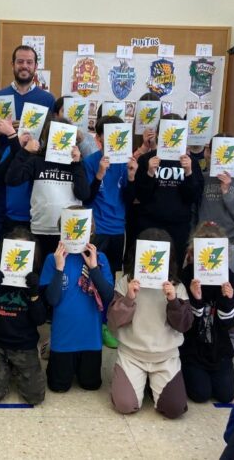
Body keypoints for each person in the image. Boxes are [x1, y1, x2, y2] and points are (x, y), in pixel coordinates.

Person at [108, 228, 193, 419]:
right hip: (132, 354)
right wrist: (128, 299)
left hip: (165, 357)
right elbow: (113, 322)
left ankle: (151, 383)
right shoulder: (126, 283)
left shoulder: (177, 287)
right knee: (125, 405)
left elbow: (185, 325)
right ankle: (135, 380)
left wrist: (173, 301)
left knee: (175, 408)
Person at [40, 207, 114, 392]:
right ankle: (51, 347)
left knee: (91, 385)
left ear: (91, 231)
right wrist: (59, 268)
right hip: (63, 338)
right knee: (58, 387)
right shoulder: (52, 259)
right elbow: (52, 300)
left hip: (90, 339)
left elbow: (108, 297)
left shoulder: (101, 258)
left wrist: (94, 268)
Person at [83, 114, 138, 349]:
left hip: (118, 230)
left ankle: (107, 322)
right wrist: (99, 175)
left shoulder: (125, 163)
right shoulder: (91, 161)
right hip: (98, 228)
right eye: (109, 134)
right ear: (99, 138)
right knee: (88, 275)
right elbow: (86, 197)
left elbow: (130, 198)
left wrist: (133, 175)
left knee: (111, 277)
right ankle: (89, 318)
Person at [5, 117, 91, 260]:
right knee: (41, 273)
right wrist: (25, 152)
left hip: (69, 231)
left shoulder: (76, 164)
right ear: (49, 137)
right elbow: (12, 180)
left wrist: (76, 164)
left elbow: (84, 194)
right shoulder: (36, 161)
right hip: (40, 228)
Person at [0, 226, 46, 405]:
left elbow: (40, 319)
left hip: (25, 345)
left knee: (36, 397)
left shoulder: (35, 279)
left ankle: (15, 368)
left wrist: (34, 294)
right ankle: (7, 367)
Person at [178, 222, 234, 404]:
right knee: (200, 393)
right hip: (193, 347)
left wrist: (228, 301)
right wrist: (195, 299)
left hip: (219, 348)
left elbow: (229, 324)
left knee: (226, 394)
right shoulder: (187, 276)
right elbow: (185, 324)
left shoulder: (231, 280)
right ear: (194, 254)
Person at [134, 113, 204, 269]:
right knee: (146, 268)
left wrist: (188, 173)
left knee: (174, 270)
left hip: (178, 227)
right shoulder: (147, 159)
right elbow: (140, 196)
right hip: (149, 224)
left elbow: (193, 197)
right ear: (159, 134)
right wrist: (150, 173)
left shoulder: (190, 162)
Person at [197, 136, 234, 274]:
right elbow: (194, 210)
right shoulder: (203, 178)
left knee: (229, 285)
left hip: (233, 240)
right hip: (204, 238)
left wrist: (226, 192)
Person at [0, 45, 55, 121]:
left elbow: (51, 131)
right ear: (13, 65)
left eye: (29, 62)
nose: (24, 66)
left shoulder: (48, 99)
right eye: (20, 62)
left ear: (35, 67)